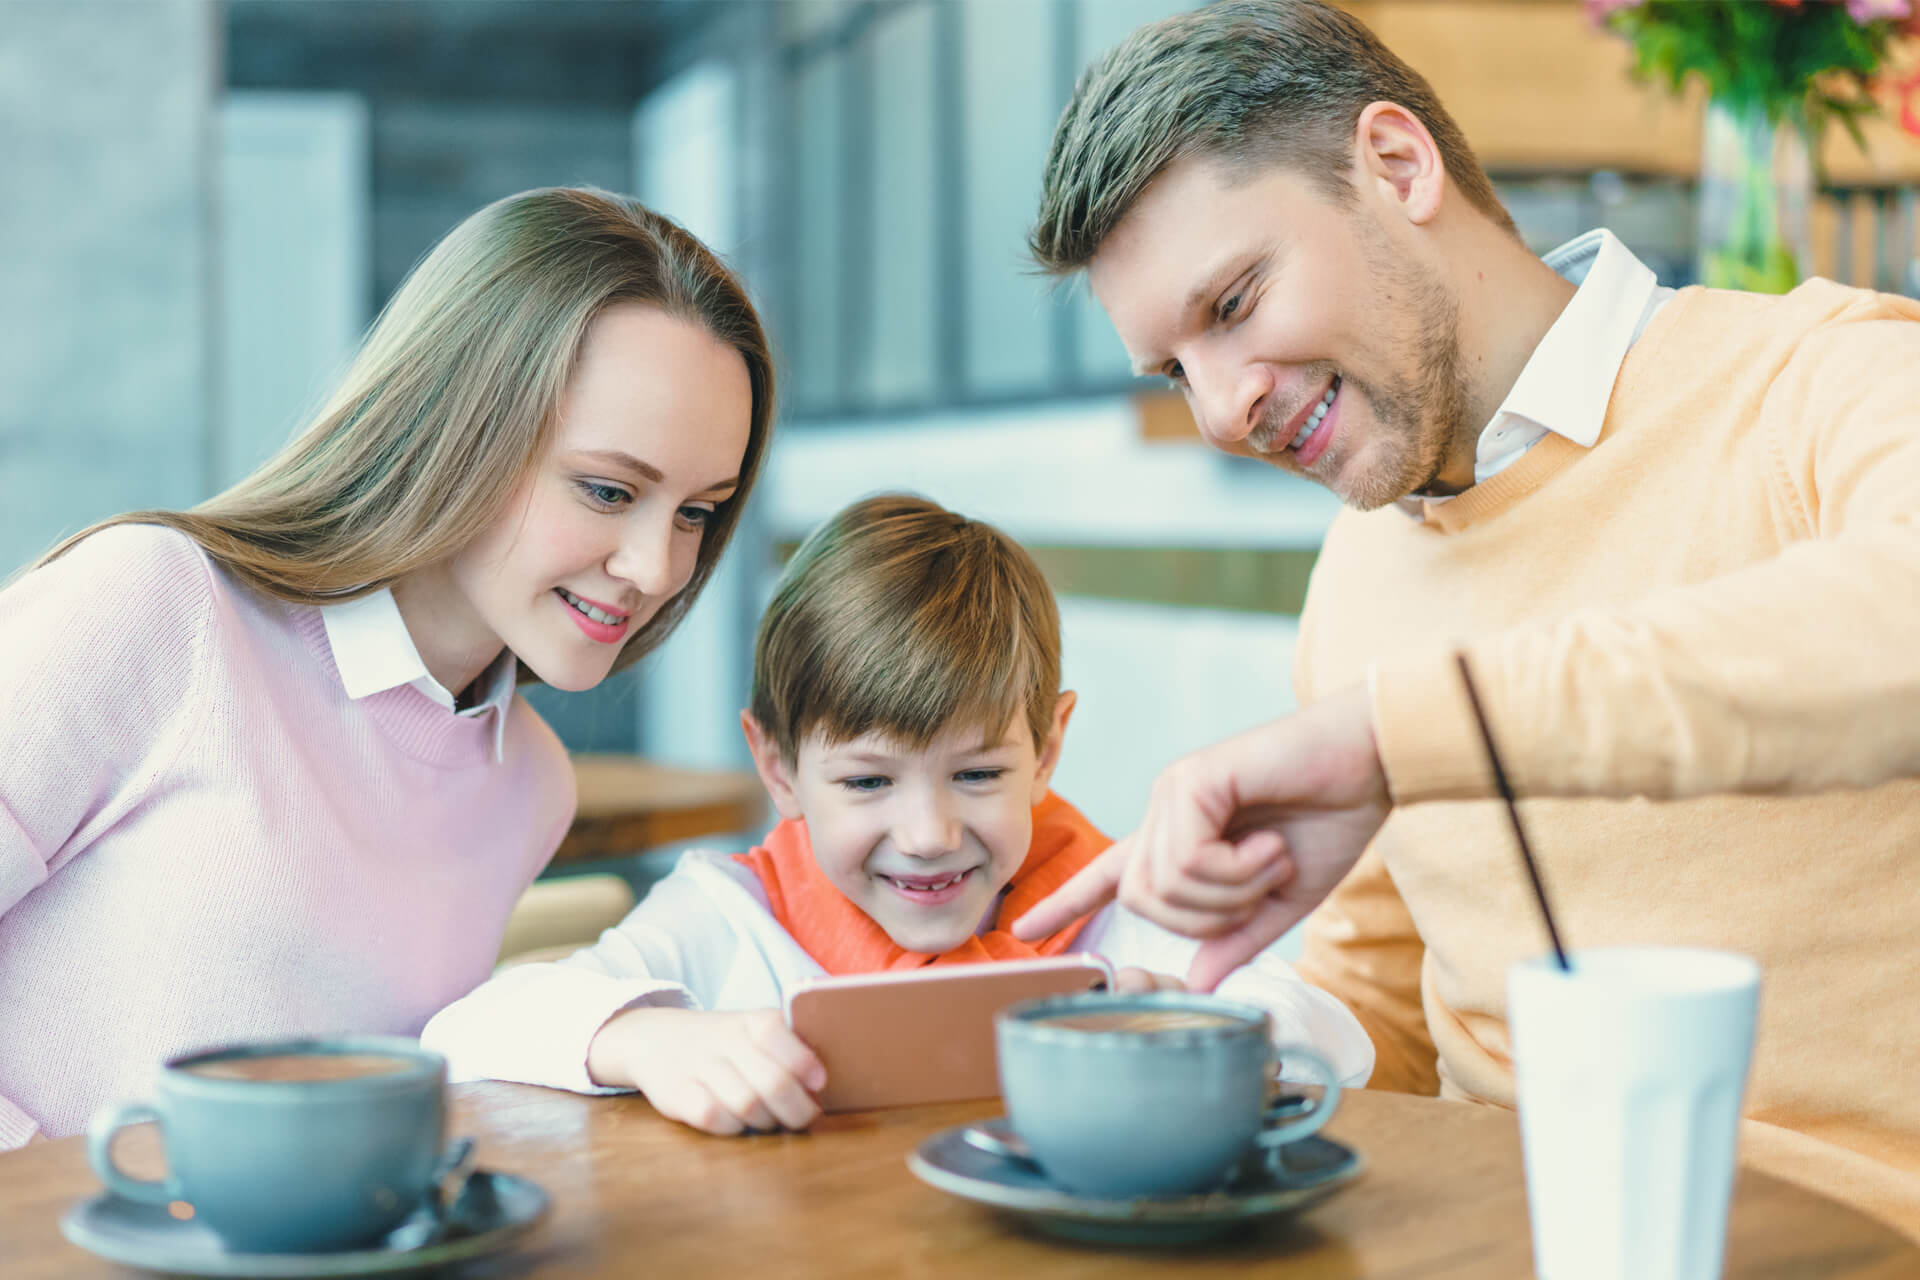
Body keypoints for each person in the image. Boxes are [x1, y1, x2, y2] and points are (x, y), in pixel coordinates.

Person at [1013, 0, 1920, 1237]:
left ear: (1398, 164)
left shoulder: (1823, 379)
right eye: (1176, 371)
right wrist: (1220, 1032)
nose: (1222, 411)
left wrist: (1407, 734)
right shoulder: (1358, 577)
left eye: (1232, 305)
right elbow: (1384, 993)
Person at [0, 186, 774, 1147]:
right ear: (459, 424)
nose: (658, 568)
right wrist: (59, 1211)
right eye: (609, 490)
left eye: (698, 512)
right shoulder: (156, 606)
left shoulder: (527, 782)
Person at [420, 495, 1373, 1135]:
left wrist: (1211, 1026)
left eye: (976, 775)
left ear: (1046, 750)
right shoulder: (728, 918)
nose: (928, 834)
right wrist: (647, 1037)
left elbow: (1340, 1043)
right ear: (779, 768)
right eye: (869, 783)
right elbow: (464, 1035)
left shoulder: (1115, 910)